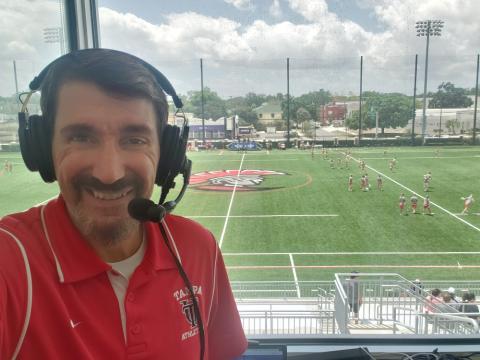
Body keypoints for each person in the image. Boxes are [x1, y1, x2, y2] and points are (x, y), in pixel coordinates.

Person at [0, 49, 247, 359]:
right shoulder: (9, 261)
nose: (109, 173)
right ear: (43, 148)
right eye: (81, 137)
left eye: (134, 140)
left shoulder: (199, 249)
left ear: (167, 154)